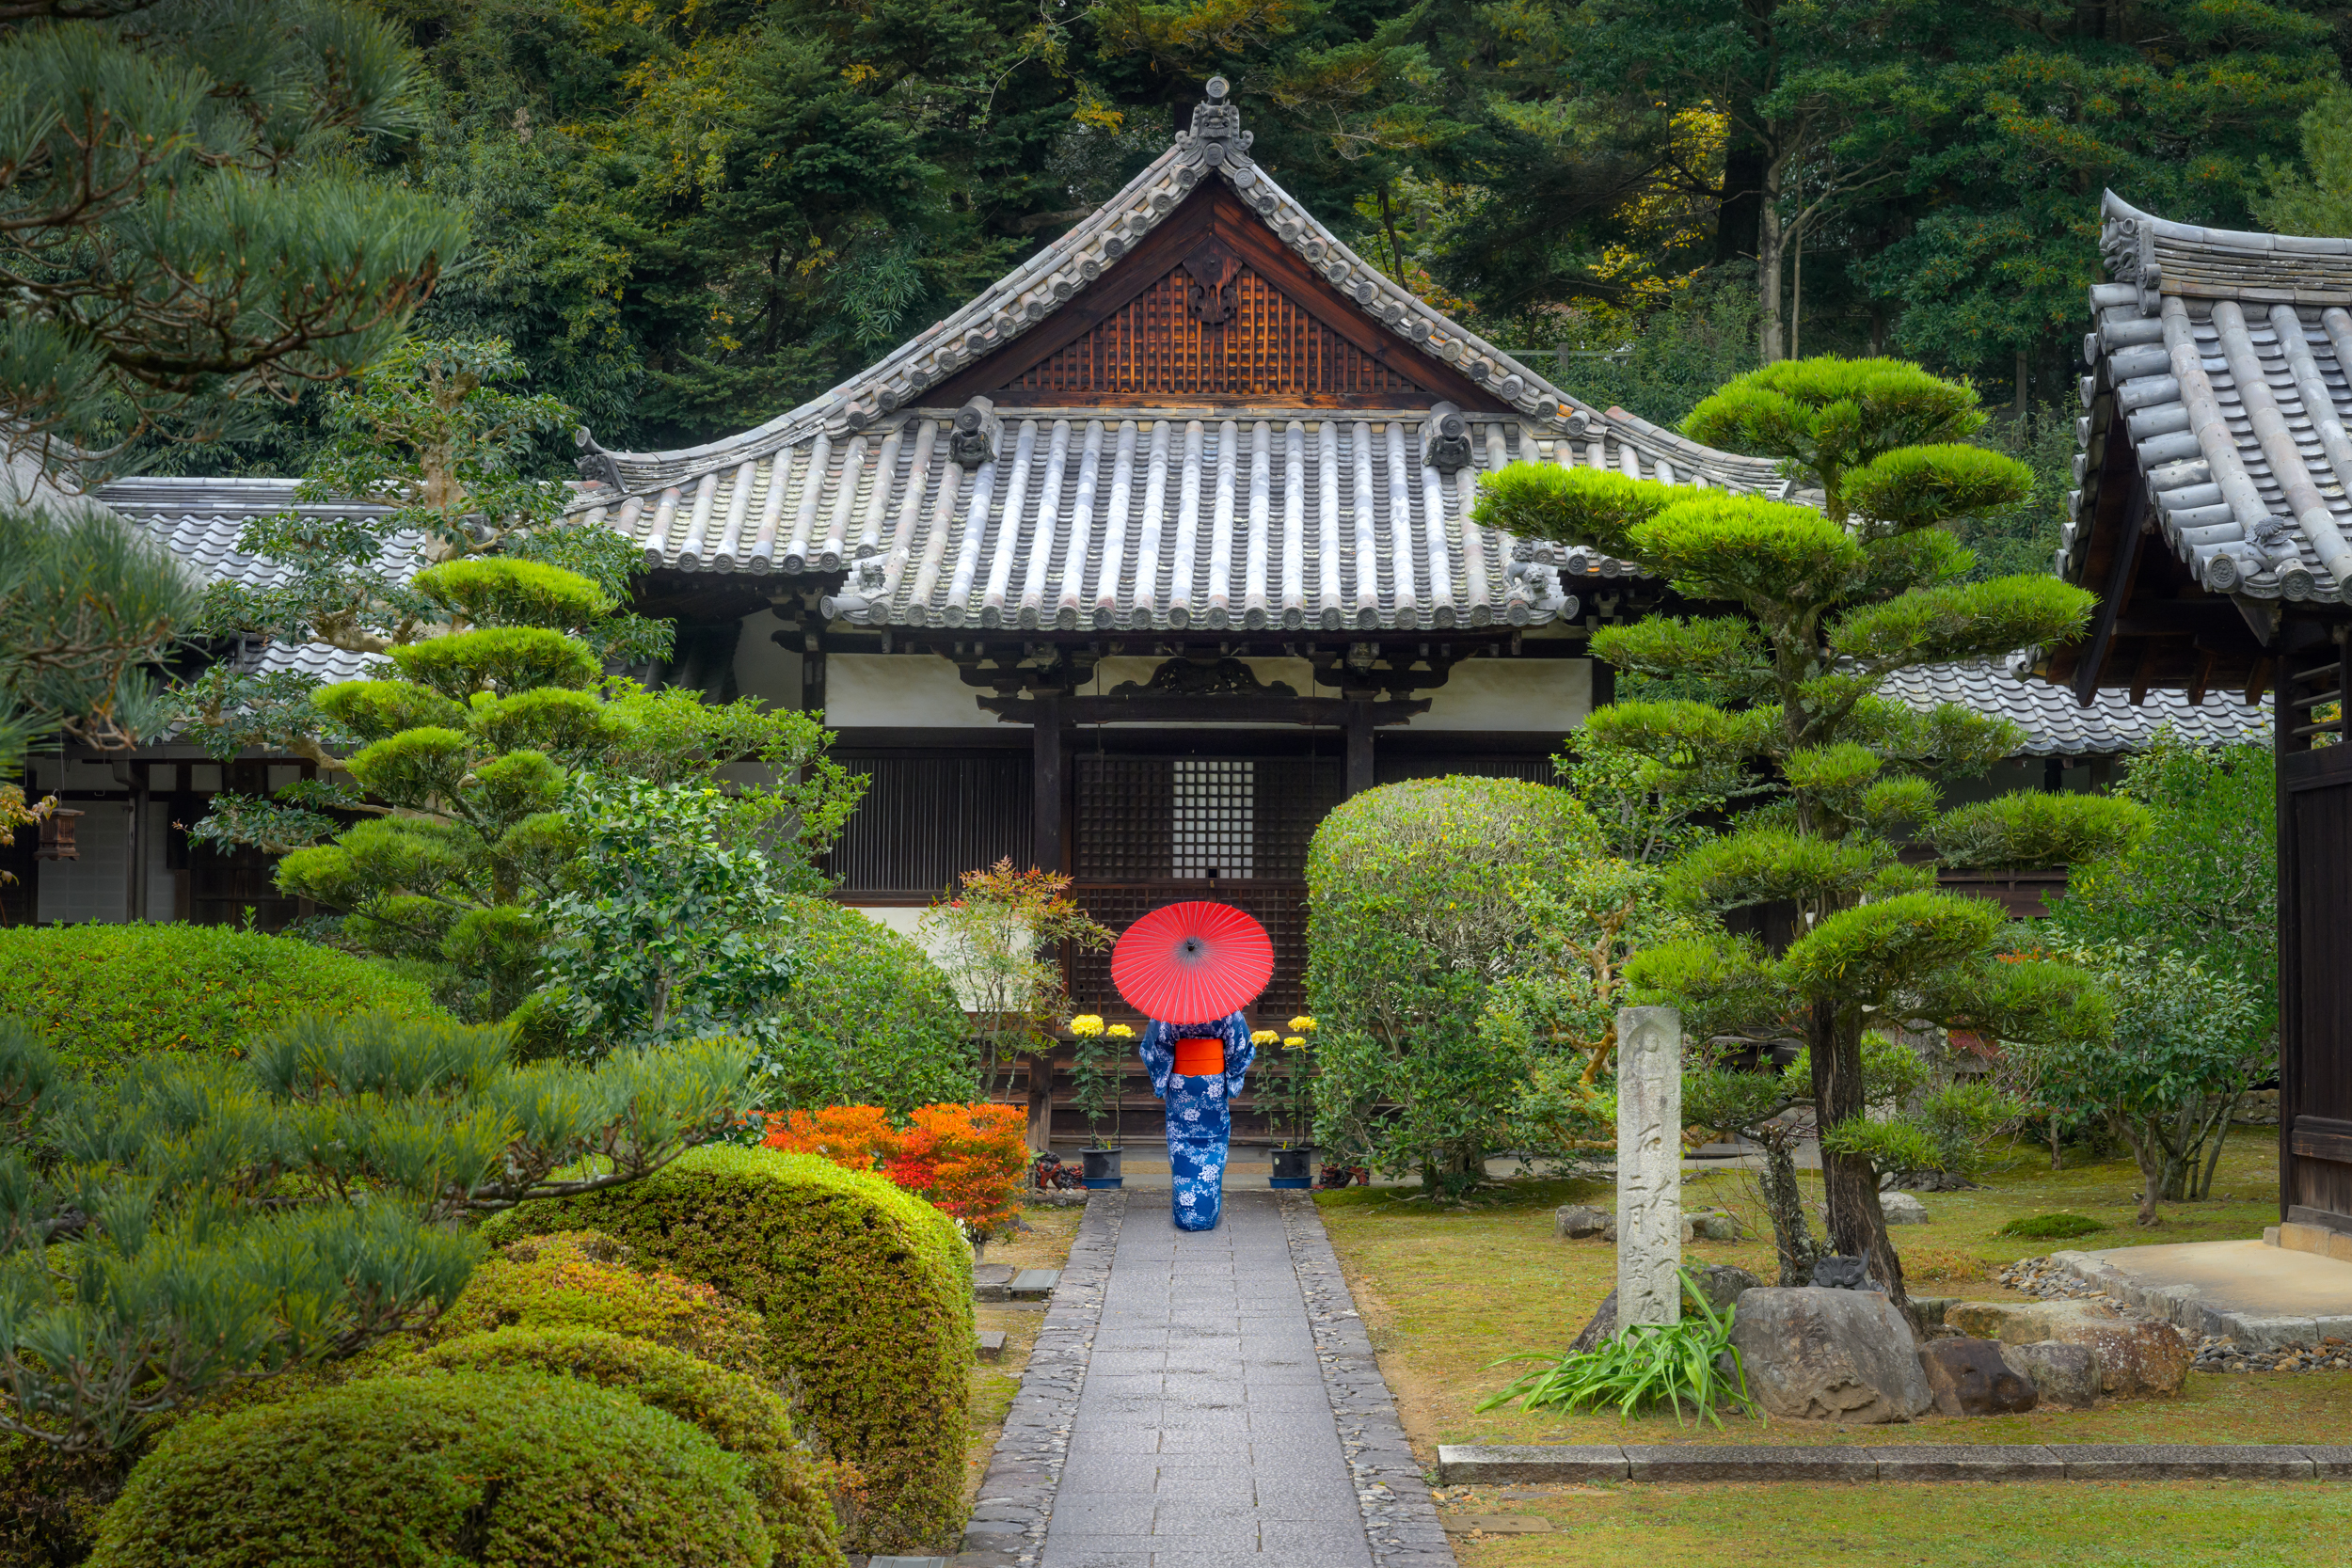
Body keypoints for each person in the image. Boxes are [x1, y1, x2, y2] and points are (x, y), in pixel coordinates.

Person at [1137, 1012, 1254, 1231]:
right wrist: (1231, 1074)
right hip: (1212, 1085)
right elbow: (1240, 1047)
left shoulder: (1168, 1008)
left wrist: (1163, 1078)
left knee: (1180, 1142)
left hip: (1182, 1084)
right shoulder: (1225, 1006)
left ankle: (1185, 1213)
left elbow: (1155, 1047)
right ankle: (1207, 1214)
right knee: (1214, 1140)